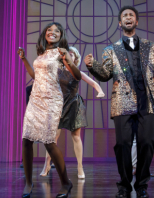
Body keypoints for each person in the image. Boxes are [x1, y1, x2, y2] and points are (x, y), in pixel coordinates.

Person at [85, 5, 154, 198]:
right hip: (122, 103)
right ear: (120, 22)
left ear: (136, 21)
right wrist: (92, 66)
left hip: (147, 102)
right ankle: (124, 185)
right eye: (124, 15)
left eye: (131, 15)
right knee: (123, 144)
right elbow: (106, 75)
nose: (128, 18)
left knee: (147, 143)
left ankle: (142, 185)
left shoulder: (151, 47)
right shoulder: (110, 50)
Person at [18, 22, 78, 198]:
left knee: (49, 141)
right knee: (26, 139)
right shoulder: (42, 53)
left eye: (56, 31)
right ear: (45, 34)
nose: (52, 33)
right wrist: (24, 60)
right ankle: (29, 182)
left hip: (52, 100)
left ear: (61, 36)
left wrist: (68, 59)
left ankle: (66, 182)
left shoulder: (62, 53)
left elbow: (78, 76)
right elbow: (36, 77)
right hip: (35, 99)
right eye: (49, 30)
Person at [40, 52, 105, 180]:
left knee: (76, 136)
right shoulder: (56, 72)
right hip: (58, 105)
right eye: (67, 54)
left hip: (74, 105)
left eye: (72, 54)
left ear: (75, 58)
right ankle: (46, 165)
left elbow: (94, 83)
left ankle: (80, 167)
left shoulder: (77, 73)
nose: (69, 56)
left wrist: (100, 91)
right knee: (52, 138)